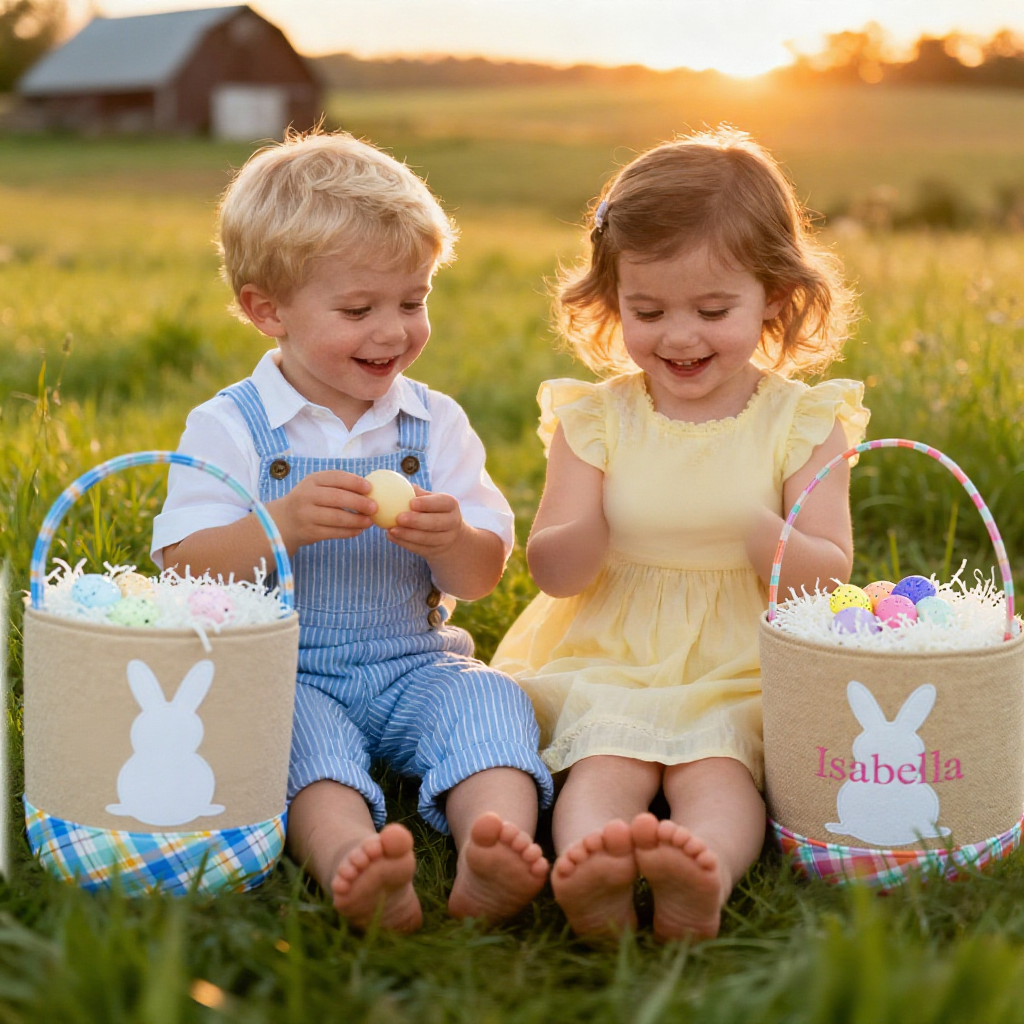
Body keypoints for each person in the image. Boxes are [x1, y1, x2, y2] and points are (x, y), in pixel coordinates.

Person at [152, 130, 553, 933]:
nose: (393, 332)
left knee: (491, 705)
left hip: (415, 662)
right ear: (267, 309)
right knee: (294, 747)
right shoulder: (232, 426)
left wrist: (451, 541)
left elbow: (481, 576)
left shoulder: (432, 421)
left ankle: (491, 844)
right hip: (288, 667)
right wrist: (280, 525)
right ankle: (350, 861)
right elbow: (183, 569)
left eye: (414, 301)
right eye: (358, 309)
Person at [491, 127, 869, 941]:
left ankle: (702, 871)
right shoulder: (594, 419)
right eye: (648, 310)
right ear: (612, 299)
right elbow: (556, 568)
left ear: (773, 294)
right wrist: (586, 532)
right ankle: (589, 864)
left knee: (719, 763)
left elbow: (827, 574)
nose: (680, 337)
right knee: (605, 751)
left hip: (742, 647)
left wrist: (754, 523)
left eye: (712, 309)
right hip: (614, 638)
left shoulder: (802, 422)